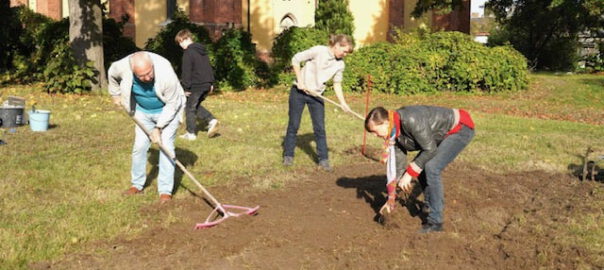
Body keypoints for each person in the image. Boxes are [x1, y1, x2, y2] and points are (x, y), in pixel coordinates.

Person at [364, 105, 475, 233]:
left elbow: (430, 149)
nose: (375, 135)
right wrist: (391, 198)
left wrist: (409, 174)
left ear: (384, 123)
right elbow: (398, 167)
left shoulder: (409, 119)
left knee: (431, 167)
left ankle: (435, 222)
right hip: (439, 136)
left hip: (460, 128)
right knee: (422, 166)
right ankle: (429, 205)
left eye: (375, 131)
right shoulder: (394, 133)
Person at [108, 51, 186, 203]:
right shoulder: (122, 66)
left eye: (149, 73)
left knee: (166, 148)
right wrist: (115, 94)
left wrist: (158, 127)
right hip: (142, 112)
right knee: (139, 147)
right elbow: (111, 73)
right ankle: (137, 184)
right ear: (133, 70)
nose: (147, 78)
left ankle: (165, 191)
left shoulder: (165, 72)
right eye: (142, 75)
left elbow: (172, 104)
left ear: (152, 65)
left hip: (167, 111)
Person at [283, 34, 354, 172]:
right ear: (337, 45)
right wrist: (300, 81)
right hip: (299, 92)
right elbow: (296, 59)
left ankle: (323, 160)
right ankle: (288, 155)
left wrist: (343, 103)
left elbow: (337, 84)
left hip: (316, 95)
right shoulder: (319, 50)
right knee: (294, 124)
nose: (345, 54)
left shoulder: (340, 64)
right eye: (344, 51)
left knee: (320, 128)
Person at [175, 29, 219, 140]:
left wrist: (185, 88)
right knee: (196, 105)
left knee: (189, 107)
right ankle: (211, 120)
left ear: (187, 39)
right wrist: (211, 83)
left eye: (181, 42)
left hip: (196, 85)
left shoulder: (188, 52)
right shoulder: (202, 51)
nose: (180, 45)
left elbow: (186, 72)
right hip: (206, 84)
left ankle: (190, 134)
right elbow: (208, 67)